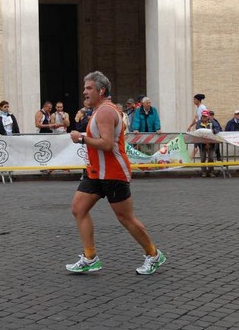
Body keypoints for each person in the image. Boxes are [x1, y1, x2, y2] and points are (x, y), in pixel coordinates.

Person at [67, 70, 166, 276]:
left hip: (113, 173)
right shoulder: (99, 110)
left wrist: (81, 138)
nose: (84, 92)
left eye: (89, 88)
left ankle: (154, 254)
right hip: (95, 173)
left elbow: (106, 144)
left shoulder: (105, 111)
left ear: (101, 90)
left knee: (126, 218)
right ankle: (90, 257)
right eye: (85, 88)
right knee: (78, 208)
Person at [196, 109, 221, 177]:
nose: (204, 118)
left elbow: (218, 128)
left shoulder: (212, 122)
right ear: (201, 117)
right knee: (203, 158)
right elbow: (198, 131)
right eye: (203, 116)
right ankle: (203, 172)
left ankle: (211, 172)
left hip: (211, 144)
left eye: (205, 116)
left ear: (208, 117)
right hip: (202, 144)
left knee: (211, 158)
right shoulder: (198, 123)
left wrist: (214, 130)